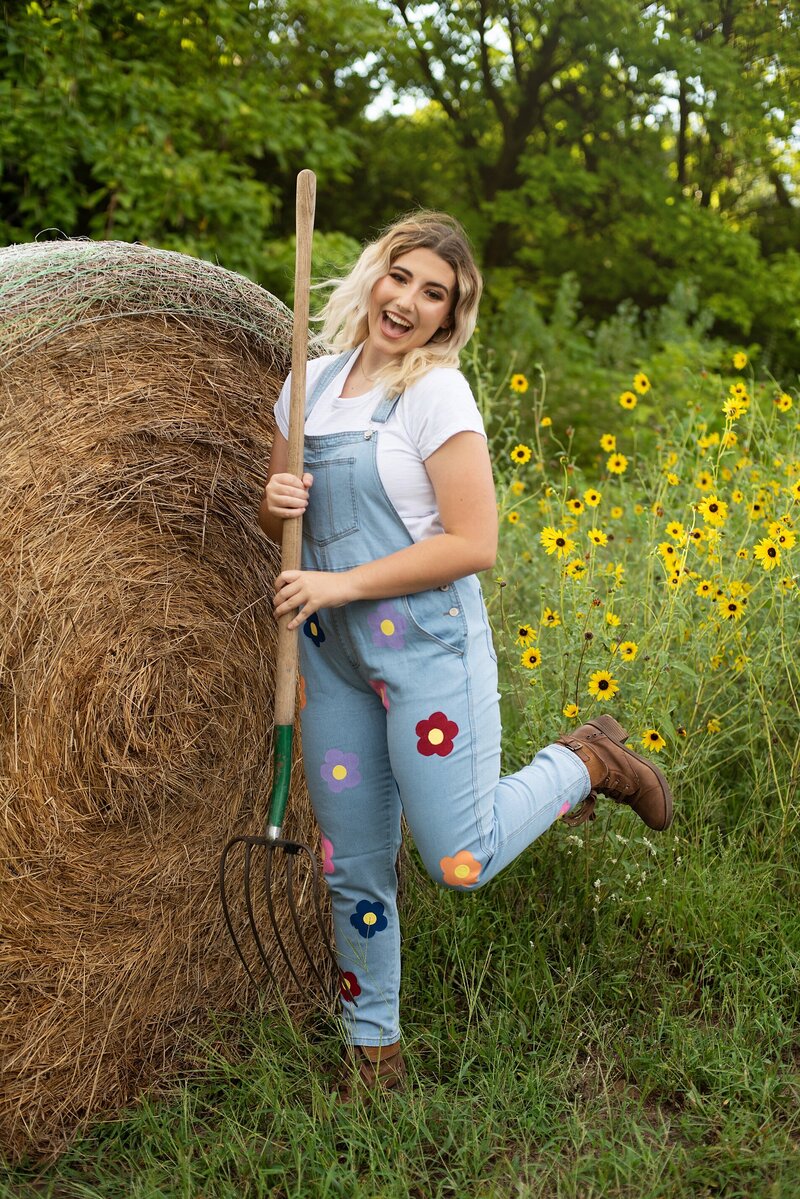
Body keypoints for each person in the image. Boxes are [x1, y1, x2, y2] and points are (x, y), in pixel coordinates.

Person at [258, 211, 673, 1099]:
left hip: (425, 652)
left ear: (450, 316)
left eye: (433, 293)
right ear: (374, 274)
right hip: (332, 661)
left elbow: (475, 541)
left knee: (459, 858)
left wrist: (336, 586)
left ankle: (585, 760)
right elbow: (281, 527)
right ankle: (373, 1050)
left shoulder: (434, 393)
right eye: (399, 276)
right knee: (353, 864)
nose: (406, 300)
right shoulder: (307, 385)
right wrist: (273, 497)